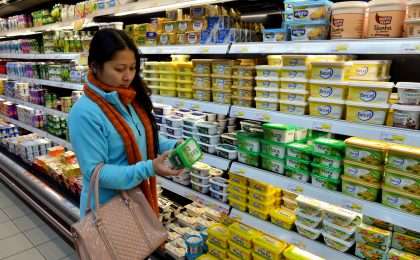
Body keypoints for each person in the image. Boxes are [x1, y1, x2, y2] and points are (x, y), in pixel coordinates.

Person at [68, 28, 183, 218]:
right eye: (119, 69)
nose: (128, 76)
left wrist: (176, 147)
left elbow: (145, 136)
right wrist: (150, 168)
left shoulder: (129, 98)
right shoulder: (84, 113)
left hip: (137, 201)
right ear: (95, 66)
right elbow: (96, 174)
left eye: (132, 68)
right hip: (108, 211)